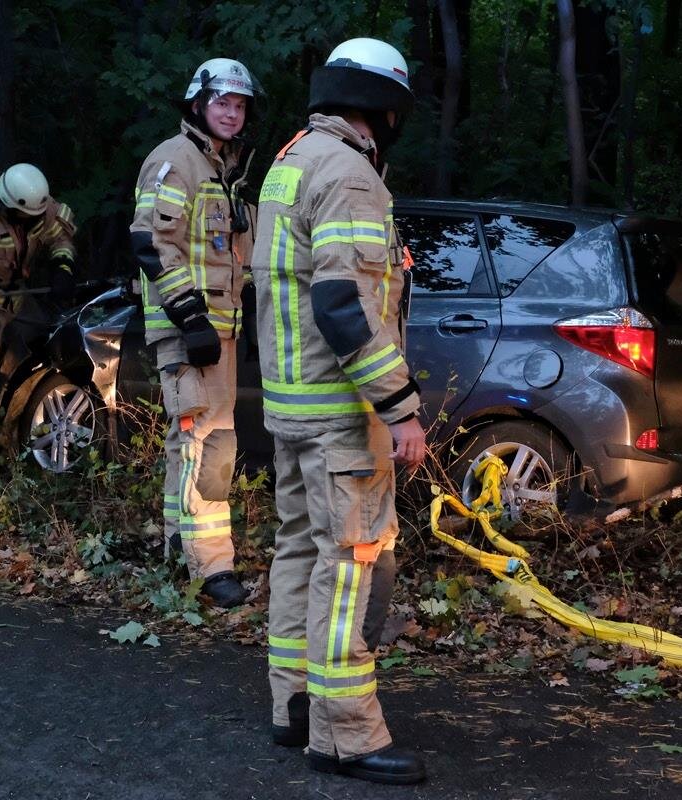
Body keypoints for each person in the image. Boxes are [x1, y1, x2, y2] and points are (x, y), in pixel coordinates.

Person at [253, 39, 428, 784]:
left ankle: (293, 704)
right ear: (384, 106)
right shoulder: (351, 177)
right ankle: (346, 734)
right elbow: (343, 304)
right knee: (353, 564)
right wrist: (400, 407)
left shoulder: (289, 162)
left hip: (289, 412)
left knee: (299, 550)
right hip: (339, 419)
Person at [129, 58, 259, 608]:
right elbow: (151, 243)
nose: (232, 113)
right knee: (209, 443)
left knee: (192, 441)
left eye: (240, 105)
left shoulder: (225, 168)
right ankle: (211, 568)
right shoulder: (175, 160)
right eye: (222, 103)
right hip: (190, 331)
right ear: (197, 105)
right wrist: (191, 317)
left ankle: (175, 548)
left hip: (217, 331)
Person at [0, 163, 78, 395]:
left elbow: (61, 238)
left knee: (45, 353)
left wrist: (63, 267)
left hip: (19, 298)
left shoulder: (39, 205)